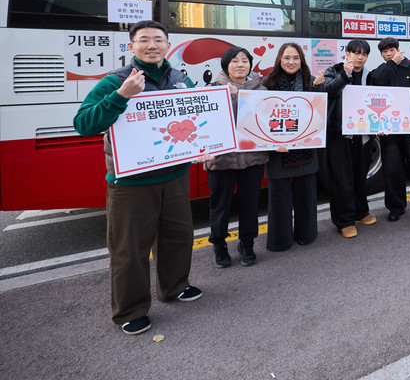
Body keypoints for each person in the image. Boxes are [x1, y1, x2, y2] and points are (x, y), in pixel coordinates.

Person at [73, 20, 203, 336]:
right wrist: (121, 95)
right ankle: (130, 311)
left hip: (174, 175)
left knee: (178, 236)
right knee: (129, 248)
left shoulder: (180, 79)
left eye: (158, 40)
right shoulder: (115, 80)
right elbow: (83, 123)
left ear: (168, 45)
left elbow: (198, 119)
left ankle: (175, 286)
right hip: (130, 182)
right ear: (131, 47)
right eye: (144, 40)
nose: (152, 45)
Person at [264, 42, 337, 250]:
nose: (291, 62)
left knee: (306, 194)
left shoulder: (311, 81)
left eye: (295, 58)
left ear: (301, 60)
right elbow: (259, 115)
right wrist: (272, 141)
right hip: (278, 150)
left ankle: (306, 234)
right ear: (279, 59)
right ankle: (280, 240)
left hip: (305, 149)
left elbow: (320, 111)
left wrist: (321, 88)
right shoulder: (268, 82)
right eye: (287, 57)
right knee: (279, 197)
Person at [206, 46, 269, 267]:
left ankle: (247, 244)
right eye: (234, 61)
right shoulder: (212, 89)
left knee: (250, 204)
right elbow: (208, 124)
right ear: (225, 65)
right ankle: (219, 246)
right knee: (220, 205)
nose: (240, 65)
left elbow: (266, 123)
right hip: (222, 160)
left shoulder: (261, 90)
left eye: (244, 61)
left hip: (253, 159)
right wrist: (232, 98)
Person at [369, 38, 410, 223]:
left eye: (391, 50)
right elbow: (375, 80)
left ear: (398, 49)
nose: (389, 54)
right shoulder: (381, 71)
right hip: (388, 128)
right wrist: (391, 64)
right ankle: (396, 207)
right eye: (384, 52)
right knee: (392, 169)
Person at [323, 39, 378, 238]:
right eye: (356, 53)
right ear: (347, 54)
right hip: (339, 134)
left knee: (359, 176)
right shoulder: (334, 70)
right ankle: (344, 220)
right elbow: (327, 92)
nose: (360, 57)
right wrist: (345, 75)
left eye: (364, 54)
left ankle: (360, 212)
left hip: (362, 135)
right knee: (341, 179)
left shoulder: (369, 75)